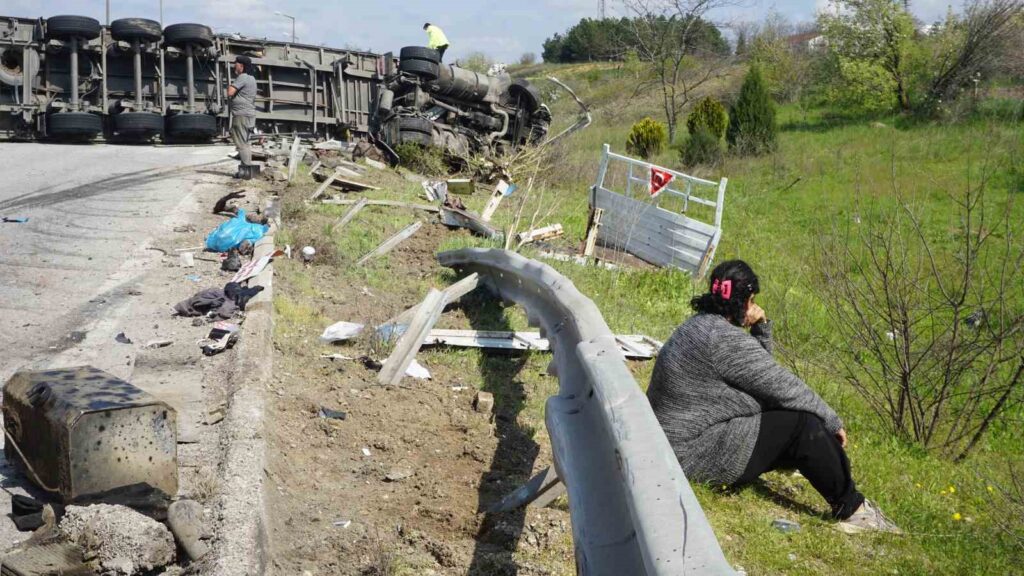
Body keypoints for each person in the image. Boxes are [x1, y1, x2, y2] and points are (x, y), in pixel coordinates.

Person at [647, 260, 901, 534]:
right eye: (752, 299)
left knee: (779, 415)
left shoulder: (699, 326)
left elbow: (758, 373)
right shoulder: (723, 340)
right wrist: (832, 421)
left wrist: (760, 328)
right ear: (746, 300)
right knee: (802, 425)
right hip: (692, 456)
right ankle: (853, 509)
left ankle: (817, 470)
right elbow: (781, 385)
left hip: (669, 443)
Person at [226, 55, 257, 179]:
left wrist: (230, 85)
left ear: (242, 66)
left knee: (241, 143)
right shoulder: (252, 78)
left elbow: (230, 92)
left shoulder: (242, 77)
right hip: (249, 114)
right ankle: (247, 171)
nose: (234, 66)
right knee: (245, 143)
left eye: (236, 64)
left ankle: (246, 172)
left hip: (241, 115)